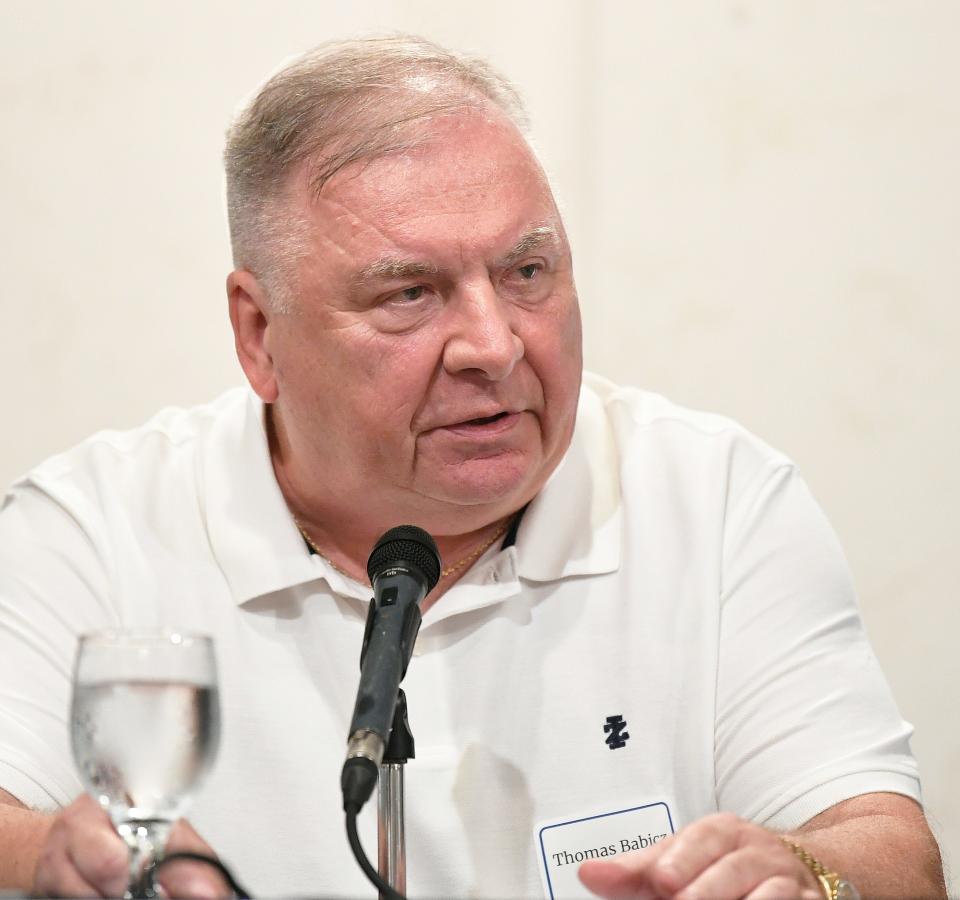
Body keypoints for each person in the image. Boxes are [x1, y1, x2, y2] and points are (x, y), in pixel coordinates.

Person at [0, 35, 946, 900]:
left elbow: (889, 850)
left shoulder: (719, 501)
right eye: (410, 294)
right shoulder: (91, 529)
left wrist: (810, 875)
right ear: (260, 335)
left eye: (526, 274)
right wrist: (45, 857)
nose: (493, 345)